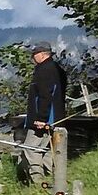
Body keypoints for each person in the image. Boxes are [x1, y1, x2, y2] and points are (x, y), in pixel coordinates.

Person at [22, 41, 67, 183]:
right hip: (55, 116)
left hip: (43, 119)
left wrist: (41, 118)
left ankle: (39, 181)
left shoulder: (44, 70)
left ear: (41, 54)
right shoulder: (57, 69)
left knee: (30, 148)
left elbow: (45, 96)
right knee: (46, 149)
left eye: (34, 54)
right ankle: (55, 178)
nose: (33, 58)